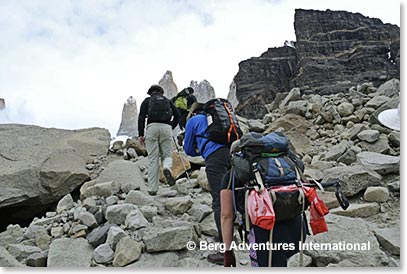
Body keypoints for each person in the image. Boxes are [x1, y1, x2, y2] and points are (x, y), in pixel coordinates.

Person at [220, 170, 306, 267]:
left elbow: (226, 216)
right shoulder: (287, 163)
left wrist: (228, 252)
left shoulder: (236, 172)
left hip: (263, 234)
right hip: (295, 230)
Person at [183, 102, 230, 265]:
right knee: (234, 193)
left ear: (193, 113)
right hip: (232, 154)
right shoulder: (219, 120)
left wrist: (200, 149)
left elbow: (188, 149)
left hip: (214, 159)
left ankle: (225, 250)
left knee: (219, 201)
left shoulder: (193, 121)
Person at [138, 84, 180, 196]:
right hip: (166, 128)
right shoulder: (167, 101)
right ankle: (166, 167)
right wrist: (171, 126)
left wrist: (141, 134)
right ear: (161, 92)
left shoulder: (147, 100)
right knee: (167, 155)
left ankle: (153, 189)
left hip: (152, 128)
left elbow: (141, 117)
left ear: (150, 92)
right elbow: (177, 115)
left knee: (153, 159)